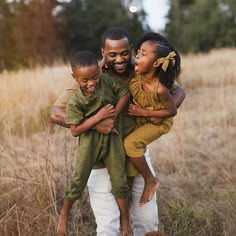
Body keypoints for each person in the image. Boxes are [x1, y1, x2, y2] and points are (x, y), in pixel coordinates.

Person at [51, 27, 186, 236]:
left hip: (135, 154)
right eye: (112, 55)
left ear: (131, 50)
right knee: (109, 226)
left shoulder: (139, 68)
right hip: (101, 159)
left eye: (125, 53)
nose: (120, 59)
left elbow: (178, 91)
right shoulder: (92, 77)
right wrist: (95, 122)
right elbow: (56, 113)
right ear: (103, 53)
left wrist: (159, 113)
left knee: (147, 221)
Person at [57, 51, 131, 236]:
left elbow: (124, 93)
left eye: (95, 77)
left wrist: (112, 117)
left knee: (120, 181)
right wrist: (99, 117)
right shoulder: (75, 101)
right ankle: (64, 215)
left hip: (113, 140)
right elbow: (75, 130)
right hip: (89, 144)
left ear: (99, 71)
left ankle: (124, 218)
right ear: (75, 78)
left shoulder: (106, 81)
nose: (91, 83)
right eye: (84, 80)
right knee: (78, 181)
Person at [124, 33, 180, 207]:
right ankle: (129, 195)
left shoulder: (160, 89)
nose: (137, 56)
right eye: (138, 52)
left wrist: (145, 112)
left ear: (155, 63)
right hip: (144, 117)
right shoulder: (137, 73)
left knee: (130, 144)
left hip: (160, 122)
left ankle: (151, 180)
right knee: (132, 149)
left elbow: (172, 112)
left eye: (144, 54)